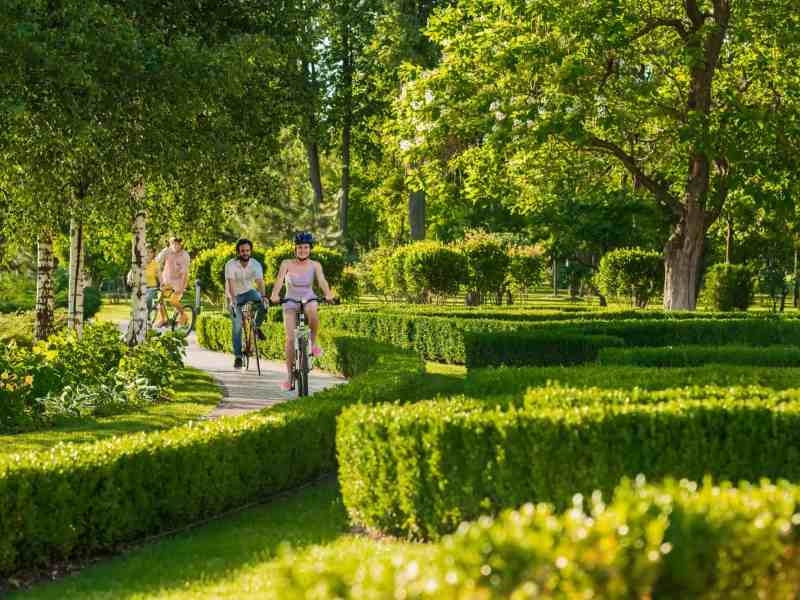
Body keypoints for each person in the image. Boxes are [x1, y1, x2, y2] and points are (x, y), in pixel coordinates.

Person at [270, 231, 334, 391]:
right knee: (290, 338)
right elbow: (279, 281)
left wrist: (328, 294)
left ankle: (313, 343)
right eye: (299, 247)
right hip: (290, 300)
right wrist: (274, 295)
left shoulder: (315, 265)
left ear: (310, 248)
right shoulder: (286, 263)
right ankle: (290, 377)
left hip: (308, 298)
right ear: (295, 249)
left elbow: (322, 281)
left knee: (312, 309)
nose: (302, 250)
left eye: (306, 247)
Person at [225, 238, 267, 369]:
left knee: (263, 303)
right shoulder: (230, 265)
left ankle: (256, 327)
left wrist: (264, 296)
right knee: (237, 325)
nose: (245, 253)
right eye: (242, 251)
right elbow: (231, 284)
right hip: (234, 295)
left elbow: (260, 282)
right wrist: (232, 300)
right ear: (238, 252)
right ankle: (238, 357)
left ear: (251, 251)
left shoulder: (255, 264)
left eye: (247, 250)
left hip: (249, 292)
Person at [155, 236, 191, 327]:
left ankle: (184, 316)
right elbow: (157, 261)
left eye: (178, 244)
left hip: (179, 282)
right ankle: (163, 319)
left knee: (173, 301)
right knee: (159, 299)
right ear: (170, 244)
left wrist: (182, 288)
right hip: (167, 280)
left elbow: (185, 274)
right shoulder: (167, 251)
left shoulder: (185, 256)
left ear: (181, 245)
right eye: (173, 244)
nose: (175, 246)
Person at [126, 246, 160, 312]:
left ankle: (148, 313)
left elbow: (160, 275)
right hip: (141, 287)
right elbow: (131, 272)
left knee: (148, 298)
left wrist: (163, 283)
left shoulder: (155, 264)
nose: (148, 254)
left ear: (153, 254)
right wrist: (129, 279)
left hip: (152, 287)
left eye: (150, 252)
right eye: (147, 252)